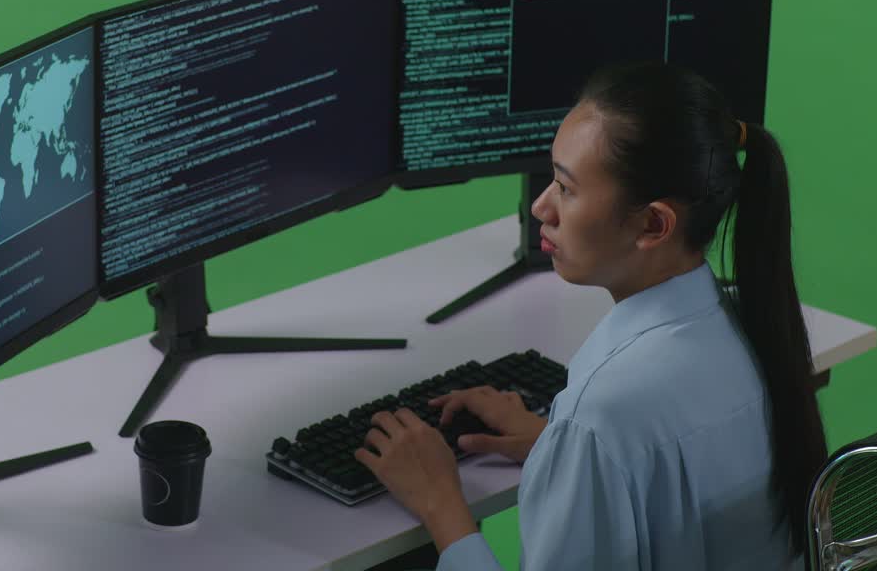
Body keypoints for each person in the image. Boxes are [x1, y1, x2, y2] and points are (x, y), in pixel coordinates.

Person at [354, 62, 827, 570]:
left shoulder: (601, 416)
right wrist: (558, 452)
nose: (541, 207)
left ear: (653, 225)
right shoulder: (751, 326)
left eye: (565, 188)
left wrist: (441, 503)